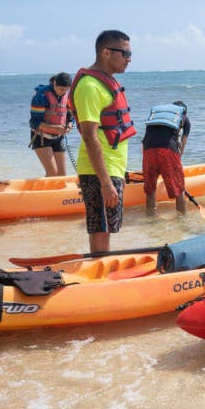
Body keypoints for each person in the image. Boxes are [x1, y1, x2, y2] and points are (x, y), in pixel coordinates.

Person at [68, 30, 136, 253]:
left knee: (108, 227)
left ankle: (101, 270)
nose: (129, 58)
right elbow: (89, 136)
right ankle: (99, 275)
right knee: (100, 228)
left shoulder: (107, 83)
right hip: (100, 172)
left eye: (130, 53)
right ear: (106, 52)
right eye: (125, 53)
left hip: (111, 168)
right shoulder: (90, 86)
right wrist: (105, 182)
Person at [141, 100, 191, 213]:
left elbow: (146, 138)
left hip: (148, 150)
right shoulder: (185, 118)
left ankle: (150, 217)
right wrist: (177, 163)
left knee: (150, 189)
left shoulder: (157, 116)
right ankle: (182, 218)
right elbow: (183, 142)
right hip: (167, 151)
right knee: (179, 188)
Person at [29, 72, 74, 176]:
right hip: (41, 137)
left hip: (59, 137)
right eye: (60, 89)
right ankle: (41, 192)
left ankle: (55, 192)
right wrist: (55, 128)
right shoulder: (41, 95)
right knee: (52, 173)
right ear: (54, 83)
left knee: (62, 175)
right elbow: (34, 123)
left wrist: (70, 124)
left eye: (66, 90)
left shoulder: (67, 96)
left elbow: (71, 115)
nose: (63, 92)